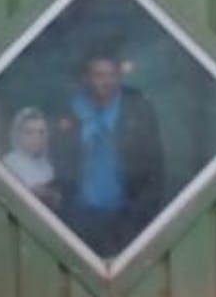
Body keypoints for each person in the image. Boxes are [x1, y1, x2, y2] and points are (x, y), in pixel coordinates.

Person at [51, 45, 165, 257]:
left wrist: (144, 214)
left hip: (126, 216)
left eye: (112, 75)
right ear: (86, 78)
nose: (106, 82)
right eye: (99, 75)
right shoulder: (70, 110)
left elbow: (154, 166)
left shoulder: (138, 110)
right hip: (78, 217)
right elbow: (58, 161)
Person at [1, 106, 61, 209]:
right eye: (29, 132)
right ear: (17, 134)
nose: (36, 138)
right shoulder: (8, 164)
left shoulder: (47, 165)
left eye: (41, 132)